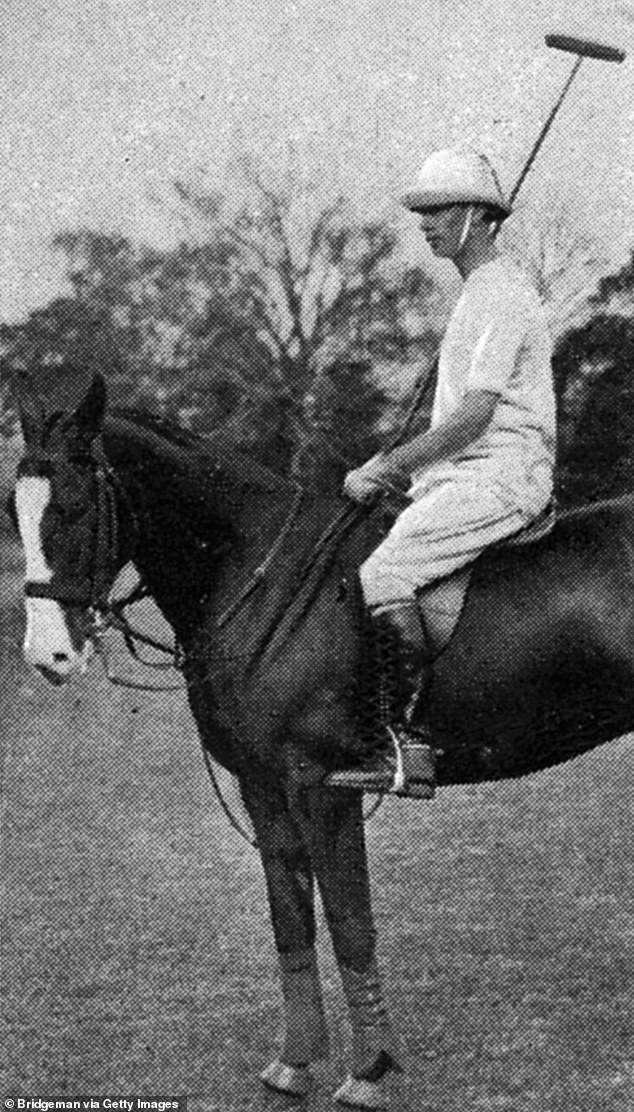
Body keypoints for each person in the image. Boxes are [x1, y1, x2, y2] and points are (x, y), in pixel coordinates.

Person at [328, 147, 556, 798]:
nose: (425, 223)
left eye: (439, 210)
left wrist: (388, 466)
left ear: (481, 218)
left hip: (504, 473)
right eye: (421, 212)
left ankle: (403, 742)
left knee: (384, 573)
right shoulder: (477, 296)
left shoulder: (502, 293)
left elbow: (476, 417)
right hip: (468, 474)